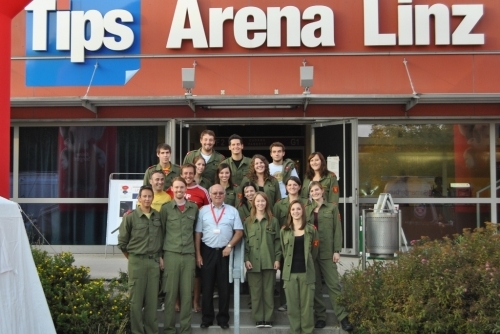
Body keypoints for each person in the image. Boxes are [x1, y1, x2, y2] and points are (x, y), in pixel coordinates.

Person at [306, 181, 353, 332]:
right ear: (310, 193)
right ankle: (320, 317)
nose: (315, 193)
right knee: (317, 286)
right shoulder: (306, 210)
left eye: (317, 190)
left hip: (327, 252)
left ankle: (342, 317)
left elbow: (337, 230)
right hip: (312, 253)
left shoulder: (332, 208)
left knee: (333, 285)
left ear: (322, 191)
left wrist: (337, 250)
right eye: (312, 191)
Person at [195, 184, 244, 329]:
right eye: (215, 193)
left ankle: (223, 319)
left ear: (225, 194)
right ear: (209, 195)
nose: (218, 195)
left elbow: (239, 232)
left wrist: (229, 246)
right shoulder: (203, 211)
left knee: (224, 288)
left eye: (220, 193)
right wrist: (198, 254)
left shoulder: (232, 211)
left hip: (225, 252)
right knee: (207, 286)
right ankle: (207, 318)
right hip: (207, 251)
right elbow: (198, 233)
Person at [117, 185, 163, 334]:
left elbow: (160, 239)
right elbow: (122, 243)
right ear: (139, 198)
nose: (147, 199)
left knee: (152, 301)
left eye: (150, 196)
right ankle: (137, 331)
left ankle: (151, 331)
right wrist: (132, 259)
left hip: (153, 262)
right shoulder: (130, 217)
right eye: (144, 196)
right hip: (136, 262)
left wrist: (160, 257)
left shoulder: (157, 216)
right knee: (136, 301)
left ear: (153, 198)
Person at [166, 164, 209, 312]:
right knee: (176, 278)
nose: (189, 175)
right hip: (174, 244)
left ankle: (195, 302)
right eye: (186, 173)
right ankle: (176, 303)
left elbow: (202, 219)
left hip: (192, 243)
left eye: (191, 173)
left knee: (195, 275)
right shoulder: (169, 197)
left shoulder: (200, 194)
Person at [159, 177, 199, 334]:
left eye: (182, 187)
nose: (179, 190)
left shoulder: (193, 208)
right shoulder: (166, 208)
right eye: (176, 187)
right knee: (170, 294)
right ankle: (169, 329)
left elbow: (196, 232)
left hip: (188, 255)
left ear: (186, 189)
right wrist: (160, 256)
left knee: (187, 294)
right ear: (172, 189)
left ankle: (185, 330)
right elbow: (161, 232)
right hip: (171, 255)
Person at [280, 200, 319, 334]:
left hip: (306, 273)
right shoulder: (284, 230)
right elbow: (284, 252)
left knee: (307, 307)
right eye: (293, 210)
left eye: (298, 209)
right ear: (290, 212)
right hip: (290, 274)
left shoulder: (311, 230)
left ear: (303, 211)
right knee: (292, 308)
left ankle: (308, 331)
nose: (296, 212)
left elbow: (314, 252)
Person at [244, 192, 281, 328]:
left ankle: (269, 319)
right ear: (254, 203)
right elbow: (245, 242)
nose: (260, 204)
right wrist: (246, 259)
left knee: (268, 291)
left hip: (269, 261)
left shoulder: (273, 221)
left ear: (267, 203)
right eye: (258, 201)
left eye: (263, 201)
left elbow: (278, 241)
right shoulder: (248, 221)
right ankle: (259, 318)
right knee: (255, 292)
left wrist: (277, 259)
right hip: (253, 262)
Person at [273, 176, 308, 311]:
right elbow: (276, 225)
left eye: (295, 185)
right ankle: (285, 302)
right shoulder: (279, 204)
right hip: (285, 241)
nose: (292, 187)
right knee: (285, 274)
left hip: (301, 240)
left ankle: (301, 302)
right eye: (289, 185)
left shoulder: (307, 202)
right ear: (286, 188)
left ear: (299, 187)